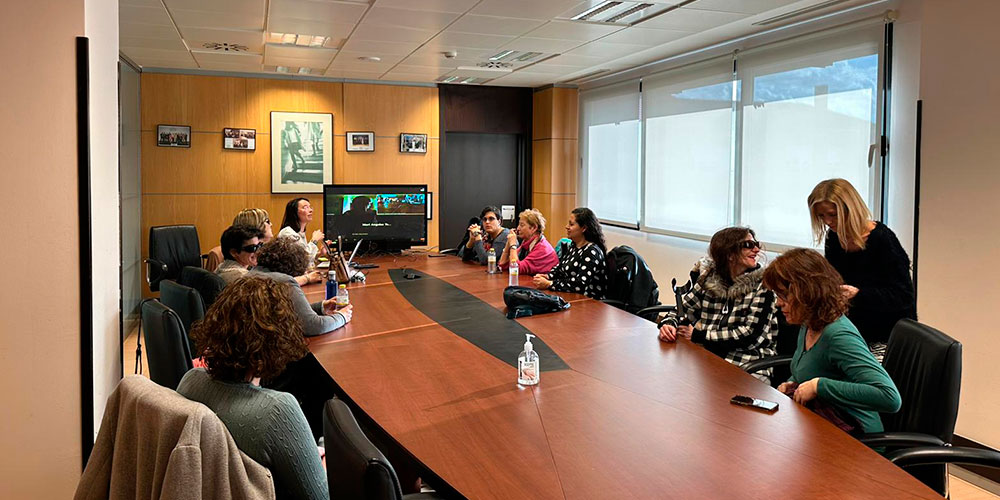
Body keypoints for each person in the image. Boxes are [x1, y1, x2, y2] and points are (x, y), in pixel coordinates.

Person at [176, 275, 328, 500]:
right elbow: (320, 496)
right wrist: (320, 458)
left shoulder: (190, 380)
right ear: (280, 338)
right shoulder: (279, 410)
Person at [763, 248, 901, 434]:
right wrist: (793, 382)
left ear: (807, 293)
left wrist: (819, 386)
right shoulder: (808, 323)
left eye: (784, 295)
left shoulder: (838, 336)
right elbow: (812, 368)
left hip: (857, 440)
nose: (779, 303)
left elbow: (889, 397)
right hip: (822, 427)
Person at [808, 178, 916, 360]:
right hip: (854, 331)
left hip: (887, 335)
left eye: (832, 215)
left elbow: (903, 296)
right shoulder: (834, 238)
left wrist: (858, 294)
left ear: (850, 209)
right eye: (821, 216)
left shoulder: (882, 239)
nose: (827, 222)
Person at [656, 227, 779, 383]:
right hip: (707, 358)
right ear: (729, 253)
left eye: (756, 244)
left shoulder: (763, 286)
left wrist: (700, 336)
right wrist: (669, 324)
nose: (756, 249)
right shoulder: (709, 278)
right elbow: (684, 309)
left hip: (746, 364)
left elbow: (750, 335)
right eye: (748, 244)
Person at [252, 238, 350, 337]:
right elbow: (313, 326)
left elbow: (286, 313)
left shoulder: (252, 274)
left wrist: (321, 307)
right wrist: (342, 316)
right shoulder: (284, 281)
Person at [532, 207, 607, 299]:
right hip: (570, 296)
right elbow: (560, 268)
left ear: (583, 228)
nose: (567, 227)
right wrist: (547, 276)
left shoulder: (591, 251)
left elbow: (580, 284)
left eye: (571, 224)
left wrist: (550, 283)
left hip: (589, 302)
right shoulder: (573, 245)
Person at [236, 207, 321, 286]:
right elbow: (270, 285)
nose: (271, 224)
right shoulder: (244, 264)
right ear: (256, 225)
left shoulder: (262, 250)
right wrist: (306, 278)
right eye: (267, 221)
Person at [498, 208, 558, 275]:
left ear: (533, 228)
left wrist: (513, 245)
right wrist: (508, 243)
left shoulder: (542, 248)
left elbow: (516, 269)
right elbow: (502, 264)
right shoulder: (527, 243)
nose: (518, 228)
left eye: (522, 225)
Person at [277, 197, 326, 263]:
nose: (311, 210)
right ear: (295, 213)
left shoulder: (300, 232)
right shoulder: (287, 232)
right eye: (305, 207)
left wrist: (320, 254)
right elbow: (301, 258)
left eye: (310, 207)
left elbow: (304, 257)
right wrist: (314, 240)